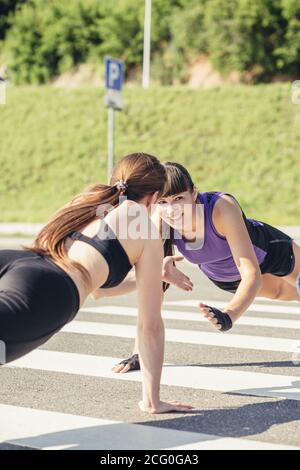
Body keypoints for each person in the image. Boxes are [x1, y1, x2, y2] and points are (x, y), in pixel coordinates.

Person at [0, 153, 194, 414]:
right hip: (50, 289)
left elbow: (100, 291)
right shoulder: (143, 226)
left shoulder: (87, 199)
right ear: (153, 197)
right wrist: (152, 401)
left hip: (18, 261)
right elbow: (150, 327)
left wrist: (154, 275)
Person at [110, 162, 300, 373]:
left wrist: (230, 314)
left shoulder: (221, 208)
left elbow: (251, 273)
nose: (171, 209)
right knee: (284, 292)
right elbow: (153, 291)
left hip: (272, 251)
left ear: (194, 193)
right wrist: (140, 352)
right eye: (162, 201)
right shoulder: (159, 222)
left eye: (179, 199)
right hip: (225, 276)